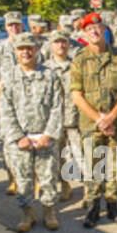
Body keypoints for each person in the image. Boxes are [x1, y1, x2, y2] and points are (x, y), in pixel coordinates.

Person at [70, 11, 117, 228]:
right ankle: (93, 207)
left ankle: (113, 206)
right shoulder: (79, 60)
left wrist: (112, 117)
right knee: (93, 165)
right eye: (89, 29)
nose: (94, 32)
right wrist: (99, 120)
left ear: (105, 30)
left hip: (116, 123)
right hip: (91, 125)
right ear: (84, 33)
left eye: (98, 28)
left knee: (115, 166)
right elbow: (76, 95)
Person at [1, 33, 65, 232]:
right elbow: (5, 109)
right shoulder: (9, 78)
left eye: (29, 48)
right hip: (21, 139)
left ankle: (49, 212)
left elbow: (57, 107)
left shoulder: (50, 76)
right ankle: (27, 214)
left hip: (45, 137)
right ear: (16, 51)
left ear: (36, 50)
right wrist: (18, 137)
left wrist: (49, 134)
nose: (26, 52)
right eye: (21, 49)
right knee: (23, 179)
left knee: (48, 177)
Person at [0, 10, 27, 194]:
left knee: (31, 142)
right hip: (8, 105)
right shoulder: (0, 49)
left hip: (29, 104)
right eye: (11, 25)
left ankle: (32, 180)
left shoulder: (31, 46)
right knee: (9, 143)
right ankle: (13, 179)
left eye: (17, 24)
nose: (14, 28)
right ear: (6, 27)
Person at [44, 30, 82, 203]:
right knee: (58, 157)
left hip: (75, 120)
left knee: (82, 156)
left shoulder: (77, 66)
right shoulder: (44, 69)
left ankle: (90, 191)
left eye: (64, 42)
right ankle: (65, 186)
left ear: (68, 44)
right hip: (54, 122)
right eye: (56, 42)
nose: (60, 45)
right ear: (51, 45)